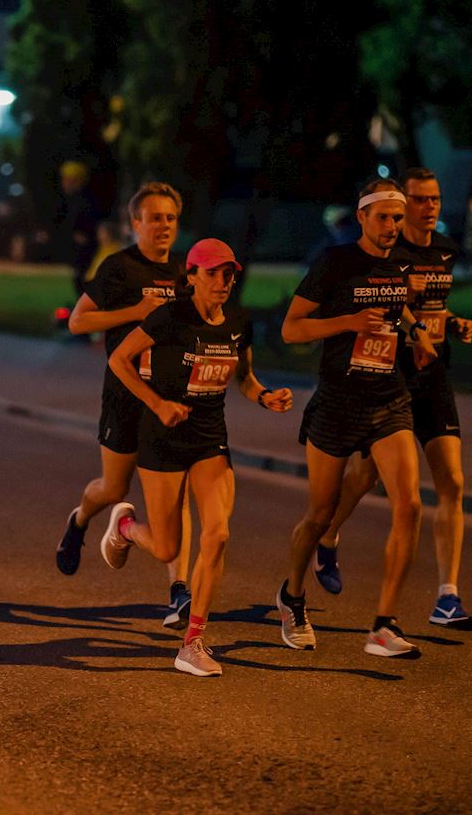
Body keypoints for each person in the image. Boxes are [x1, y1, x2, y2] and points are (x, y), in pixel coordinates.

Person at [99, 239, 293, 676]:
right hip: (163, 437)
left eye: (229, 273)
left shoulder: (238, 322)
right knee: (168, 546)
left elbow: (243, 374)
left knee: (218, 534)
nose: (223, 281)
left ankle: (194, 642)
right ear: (192, 277)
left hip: (209, 438)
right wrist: (157, 403)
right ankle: (126, 527)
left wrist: (263, 395)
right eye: (212, 273)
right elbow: (119, 359)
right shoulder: (170, 316)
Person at [312, 168, 472, 631]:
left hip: (435, 375)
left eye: (435, 199)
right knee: (364, 475)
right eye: (420, 199)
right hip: (394, 377)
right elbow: (390, 308)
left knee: (453, 481)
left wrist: (453, 323)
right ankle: (327, 534)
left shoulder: (444, 250)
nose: (430, 207)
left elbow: (433, 306)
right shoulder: (390, 251)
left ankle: (448, 596)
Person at [277, 178, 438, 659]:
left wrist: (419, 333)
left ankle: (384, 625)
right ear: (363, 217)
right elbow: (291, 329)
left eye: (397, 217)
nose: (392, 226)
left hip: (389, 398)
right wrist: (347, 322)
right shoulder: (335, 262)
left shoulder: (401, 263)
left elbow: (399, 304)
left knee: (409, 505)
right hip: (337, 402)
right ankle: (292, 596)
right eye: (384, 217)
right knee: (319, 514)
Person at [55, 182, 197, 628]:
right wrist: (136, 311)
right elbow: (78, 322)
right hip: (124, 396)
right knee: (113, 490)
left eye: (170, 219)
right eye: (154, 218)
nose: (163, 227)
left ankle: (180, 591)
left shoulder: (184, 271)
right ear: (135, 223)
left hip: (169, 401)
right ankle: (80, 522)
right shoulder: (119, 268)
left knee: (178, 497)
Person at [54, 161, 100, 299]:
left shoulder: (83, 202)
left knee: (82, 282)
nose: (64, 183)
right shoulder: (74, 200)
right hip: (81, 251)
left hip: (85, 251)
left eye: (67, 180)